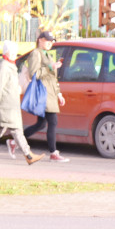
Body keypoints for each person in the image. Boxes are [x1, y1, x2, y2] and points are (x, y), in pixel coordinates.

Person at [0, 41, 45, 165]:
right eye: (12, 52)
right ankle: (28, 155)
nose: (15, 54)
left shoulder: (9, 66)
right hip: (6, 106)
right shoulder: (5, 67)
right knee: (17, 130)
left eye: (15, 52)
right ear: (6, 53)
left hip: (9, 105)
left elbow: (7, 85)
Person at [21, 30, 68, 162]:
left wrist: (59, 94)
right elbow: (33, 74)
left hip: (51, 94)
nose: (50, 43)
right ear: (40, 39)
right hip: (43, 93)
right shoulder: (36, 53)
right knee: (53, 121)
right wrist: (50, 67)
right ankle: (53, 153)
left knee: (41, 124)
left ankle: (16, 141)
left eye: (52, 41)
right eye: (47, 40)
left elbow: (53, 78)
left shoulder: (47, 54)